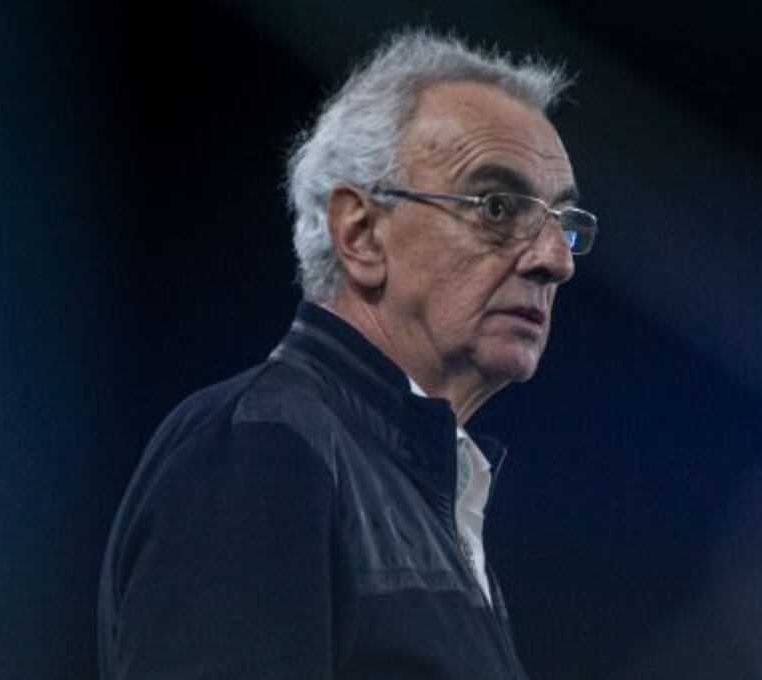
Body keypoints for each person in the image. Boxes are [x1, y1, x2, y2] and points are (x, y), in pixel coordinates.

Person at [98, 28, 597, 679]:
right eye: (497, 207)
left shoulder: (418, 492)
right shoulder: (264, 447)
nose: (555, 260)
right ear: (360, 234)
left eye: (563, 223)